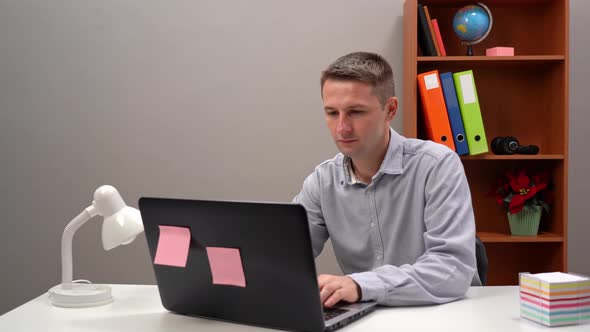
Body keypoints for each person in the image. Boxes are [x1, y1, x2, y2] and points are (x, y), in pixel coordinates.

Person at [293, 51, 480, 308]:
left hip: (445, 314)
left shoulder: (437, 166)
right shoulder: (322, 181)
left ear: (390, 109)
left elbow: (453, 269)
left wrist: (361, 285)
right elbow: (285, 255)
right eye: (332, 113)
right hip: (370, 317)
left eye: (356, 112)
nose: (342, 128)